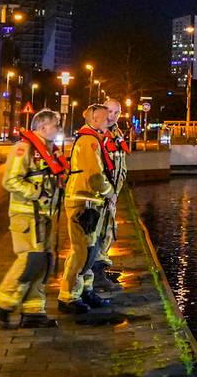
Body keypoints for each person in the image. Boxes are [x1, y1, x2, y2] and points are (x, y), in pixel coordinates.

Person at [0, 109, 67, 329]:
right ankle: (1, 305)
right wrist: (38, 193)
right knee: (30, 261)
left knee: (43, 262)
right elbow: (10, 181)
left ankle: (33, 312)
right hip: (27, 216)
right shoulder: (24, 148)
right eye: (56, 124)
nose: (59, 128)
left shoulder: (49, 150)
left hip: (43, 216)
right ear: (42, 127)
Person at [57, 104, 115, 314]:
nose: (110, 120)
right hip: (83, 201)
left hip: (89, 201)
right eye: (106, 117)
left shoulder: (92, 138)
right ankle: (68, 296)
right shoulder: (89, 141)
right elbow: (95, 176)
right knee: (82, 251)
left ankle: (84, 290)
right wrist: (110, 192)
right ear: (94, 119)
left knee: (90, 249)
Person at [90, 98, 131, 292]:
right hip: (99, 196)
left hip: (111, 195)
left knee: (107, 233)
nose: (112, 116)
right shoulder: (97, 135)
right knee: (94, 235)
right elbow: (95, 170)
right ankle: (92, 276)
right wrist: (108, 193)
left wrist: (116, 192)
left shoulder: (116, 134)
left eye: (116, 112)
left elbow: (121, 167)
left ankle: (99, 273)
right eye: (109, 111)